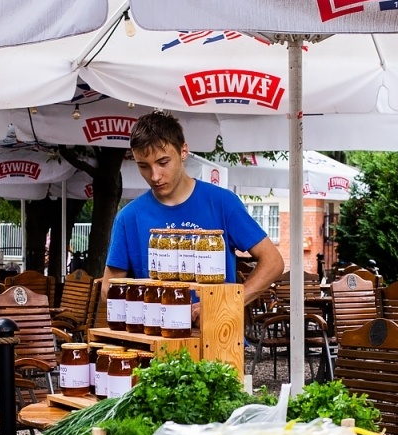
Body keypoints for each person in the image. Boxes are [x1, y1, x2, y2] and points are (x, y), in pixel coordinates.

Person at [103, 112, 284, 309]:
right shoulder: (129, 218)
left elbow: (273, 261)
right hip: (159, 335)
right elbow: (108, 290)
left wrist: (228, 305)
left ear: (183, 151)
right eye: (143, 166)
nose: (154, 176)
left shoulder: (222, 202)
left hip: (218, 334)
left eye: (163, 162)